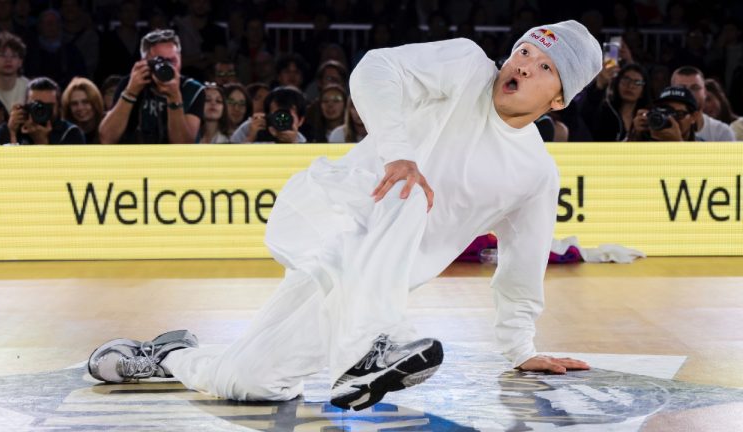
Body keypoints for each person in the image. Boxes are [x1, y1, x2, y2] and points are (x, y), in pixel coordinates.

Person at [88, 21, 602, 411]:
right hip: (332, 215)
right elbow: (375, 68)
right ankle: (364, 354)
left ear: (558, 99)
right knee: (411, 189)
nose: (523, 65)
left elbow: (521, 267)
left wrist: (520, 348)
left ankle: (166, 356)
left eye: (543, 67)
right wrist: (399, 151)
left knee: (252, 383)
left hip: (361, 287)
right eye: (524, 50)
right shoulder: (466, 66)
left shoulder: (535, 173)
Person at [98, 29, 205, 144]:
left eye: (172, 61)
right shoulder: (128, 84)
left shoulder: (193, 90)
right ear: (144, 62)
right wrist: (130, 93)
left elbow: (183, 146)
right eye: (160, 61)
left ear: (180, 58)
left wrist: (174, 97)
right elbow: (107, 138)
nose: (168, 67)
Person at [0, 77, 85, 145]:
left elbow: (63, 170)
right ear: (26, 105)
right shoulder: (7, 129)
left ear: (58, 107)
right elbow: (2, 168)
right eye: (37, 105)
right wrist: (12, 133)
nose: (42, 109)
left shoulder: (71, 133)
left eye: (49, 106)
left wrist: (41, 141)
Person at [580, 63, 651, 141]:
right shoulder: (605, 111)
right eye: (626, 79)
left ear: (643, 91)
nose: (630, 86)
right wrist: (599, 85)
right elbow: (586, 114)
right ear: (617, 83)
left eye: (637, 82)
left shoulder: (647, 118)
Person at [670, 66, 735, 141]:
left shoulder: (722, 132)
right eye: (681, 88)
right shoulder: (658, 129)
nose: (689, 93)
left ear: (705, 92)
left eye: (695, 88)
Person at [230, 86, 307, 143]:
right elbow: (230, 159)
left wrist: (293, 144)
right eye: (278, 114)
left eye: (287, 116)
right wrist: (250, 137)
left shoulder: (300, 140)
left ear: (300, 121)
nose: (281, 119)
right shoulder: (250, 127)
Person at [628, 86, 702, 142]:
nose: (671, 119)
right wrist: (635, 136)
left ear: (694, 117)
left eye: (678, 114)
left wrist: (678, 144)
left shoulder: (703, 147)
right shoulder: (646, 140)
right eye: (665, 112)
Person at [61, 77, 105, 144]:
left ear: (95, 103)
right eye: (74, 104)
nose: (80, 108)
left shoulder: (108, 127)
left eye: (86, 102)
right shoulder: (64, 133)